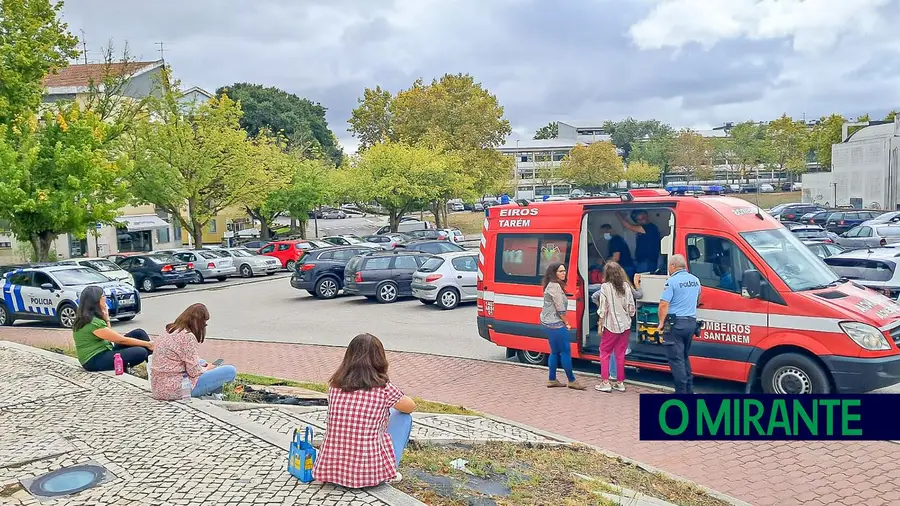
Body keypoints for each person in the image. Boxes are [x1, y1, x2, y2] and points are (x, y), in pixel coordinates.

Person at [313, 333, 416, 488]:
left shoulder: (334, 385)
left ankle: (342, 469)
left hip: (332, 470)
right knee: (402, 416)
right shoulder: (383, 388)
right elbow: (410, 406)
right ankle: (391, 470)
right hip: (368, 473)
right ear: (379, 359)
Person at [150, 303, 237, 400]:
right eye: (204, 324)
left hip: (158, 387)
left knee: (202, 362)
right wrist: (208, 368)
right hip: (177, 390)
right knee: (230, 371)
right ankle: (215, 394)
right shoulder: (187, 336)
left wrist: (203, 366)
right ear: (199, 323)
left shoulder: (170, 330)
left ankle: (210, 391)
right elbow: (194, 372)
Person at [72, 285, 154, 372]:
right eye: (103, 296)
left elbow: (109, 338)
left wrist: (106, 318)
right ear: (96, 301)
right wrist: (147, 344)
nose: (106, 299)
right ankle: (154, 366)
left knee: (139, 333)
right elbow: (121, 340)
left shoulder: (89, 317)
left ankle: (154, 363)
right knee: (140, 352)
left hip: (106, 349)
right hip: (93, 360)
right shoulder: (92, 322)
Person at [657, 254, 701, 394]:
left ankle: (681, 393)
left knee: (676, 360)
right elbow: (698, 299)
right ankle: (689, 390)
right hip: (691, 323)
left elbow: (664, 304)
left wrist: (661, 323)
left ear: (673, 266)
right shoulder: (695, 280)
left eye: (669, 266)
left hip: (676, 324)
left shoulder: (672, 282)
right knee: (684, 357)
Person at [540, 262, 586, 390]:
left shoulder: (551, 285)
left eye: (564, 271)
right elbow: (560, 309)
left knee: (554, 352)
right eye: (560, 271)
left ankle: (552, 379)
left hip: (547, 322)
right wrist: (567, 322)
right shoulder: (555, 287)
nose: (563, 273)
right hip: (555, 324)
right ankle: (572, 380)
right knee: (565, 351)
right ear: (553, 273)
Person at [592, 262, 636, 393]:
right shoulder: (626, 286)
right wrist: (628, 317)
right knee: (620, 354)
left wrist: (600, 324)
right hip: (626, 326)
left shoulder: (605, 287)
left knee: (604, 352)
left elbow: (603, 308)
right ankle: (620, 382)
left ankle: (605, 382)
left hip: (611, 326)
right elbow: (631, 307)